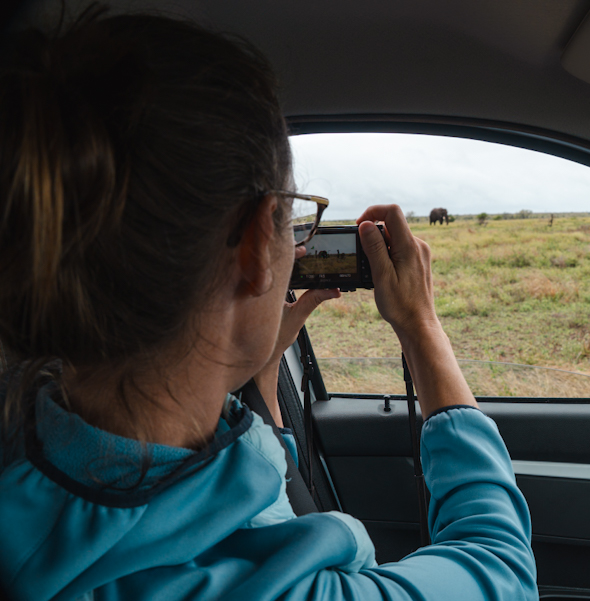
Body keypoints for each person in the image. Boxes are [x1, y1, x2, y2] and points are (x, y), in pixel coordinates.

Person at [0, 8, 537, 601]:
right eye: (293, 220)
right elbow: (501, 568)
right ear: (259, 242)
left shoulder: (19, 460)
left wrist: (254, 373)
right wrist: (421, 325)